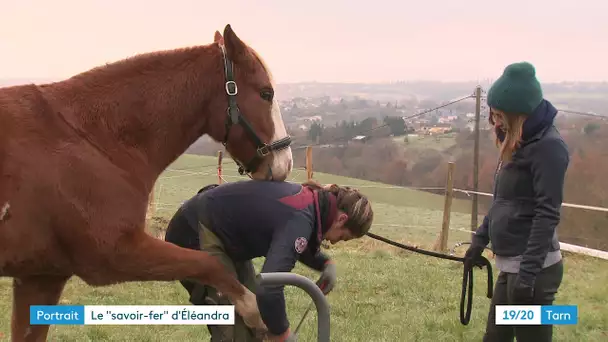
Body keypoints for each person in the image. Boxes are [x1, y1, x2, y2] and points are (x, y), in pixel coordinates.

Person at [164, 179, 374, 342]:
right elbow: (271, 288)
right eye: (343, 237)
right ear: (342, 219)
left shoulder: (311, 205)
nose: (336, 242)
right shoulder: (302, 217)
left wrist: (325, 264)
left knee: (259, 321)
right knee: (234, 330)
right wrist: (282, 334)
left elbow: (293, 242)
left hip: (225, 241)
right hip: (194, 232)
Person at [464, 61, 570, 342]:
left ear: (518, 114)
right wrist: (480, 240)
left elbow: (547, 214)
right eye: (493, 114)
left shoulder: (549, 148)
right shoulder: (517, 141)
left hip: (535, 272)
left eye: (500, 115)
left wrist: (528, 275)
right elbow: (503, 201)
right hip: (511, 268)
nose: (495, 122)